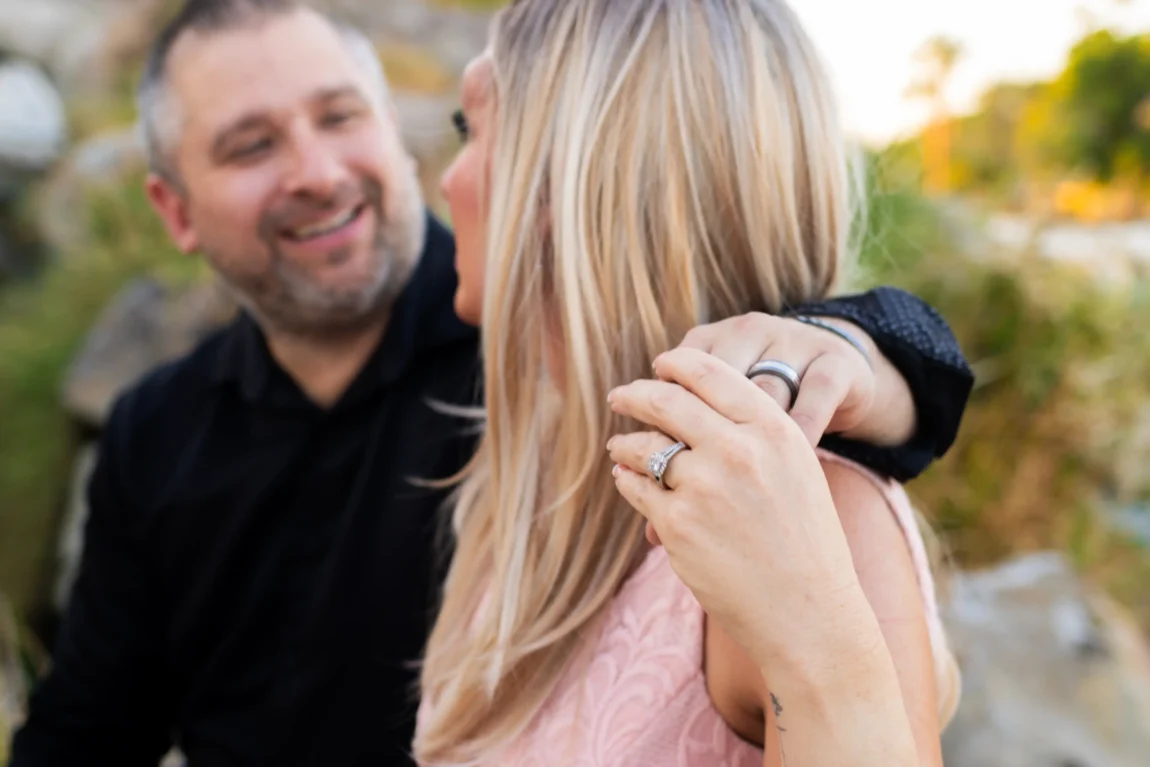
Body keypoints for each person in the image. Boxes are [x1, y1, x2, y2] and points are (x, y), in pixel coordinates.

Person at [9, 1, 972, 765]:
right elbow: (89, 724)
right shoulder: (159, 429)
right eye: (251, 146)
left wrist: (860, 357)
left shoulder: (532, 384)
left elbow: (830, 373)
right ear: (173, 210)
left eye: (342, 116)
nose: (317, 171)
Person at [414, 1, 961, 766]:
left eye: (470, 130)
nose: (448, 178)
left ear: (570, 187)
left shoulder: (808, 511)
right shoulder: (532, 471)